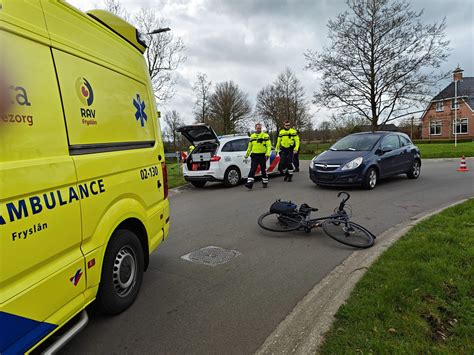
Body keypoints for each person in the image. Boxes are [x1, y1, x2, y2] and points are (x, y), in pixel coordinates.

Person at [244, 123, 271, 189]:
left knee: (263, 170)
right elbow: (249, 147)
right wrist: (246, 156)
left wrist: (267, 154)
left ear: (261, 128)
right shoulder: (252, 136)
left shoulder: (265, 136)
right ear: (255, 128)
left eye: (260, 128)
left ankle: (265, 182)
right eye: (257, 128)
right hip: (254, 155)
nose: (259, 129)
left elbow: (269, 146)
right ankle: (249, 184)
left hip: (262, 155)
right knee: (252, 169)